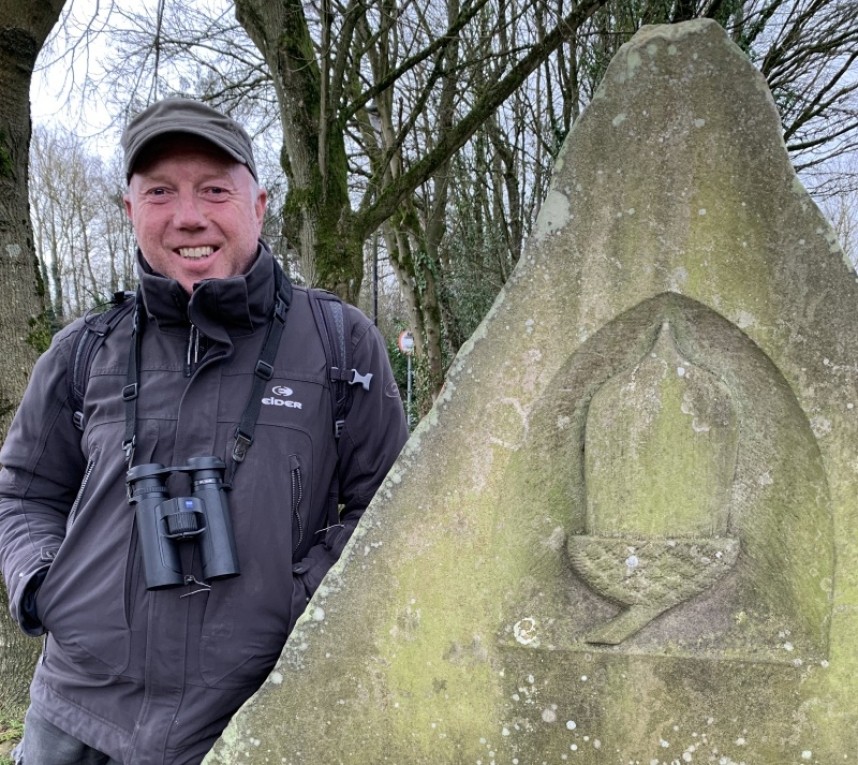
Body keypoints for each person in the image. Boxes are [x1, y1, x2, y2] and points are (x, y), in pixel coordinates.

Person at [0, 98, 408, 765]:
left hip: (258, 715)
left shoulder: (339, 343)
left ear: (260, 203)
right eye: (160, 191)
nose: (189, 215)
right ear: (130, 211)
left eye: (214, 189)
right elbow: (21, 491)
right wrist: (48, 584)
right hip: (77, 719)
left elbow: (390, 507)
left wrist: (296, 600)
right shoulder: (83, 351)